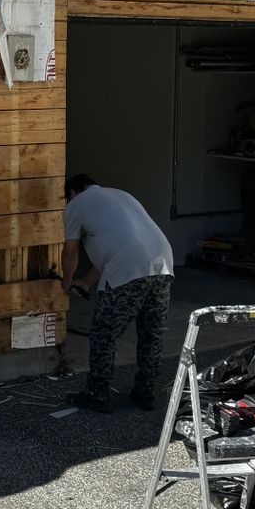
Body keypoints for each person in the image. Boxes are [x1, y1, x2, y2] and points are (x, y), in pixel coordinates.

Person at [61, 173, 174, 414]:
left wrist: (67, 281)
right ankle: (146, 393)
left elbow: (70, 253)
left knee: (103, 335)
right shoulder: (122, 195)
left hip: (129, 267)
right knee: (151, 334)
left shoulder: (76, 205)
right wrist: (86, 282)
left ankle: (97, 394)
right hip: (163, 265)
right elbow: (117, 247)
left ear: (71, 193)